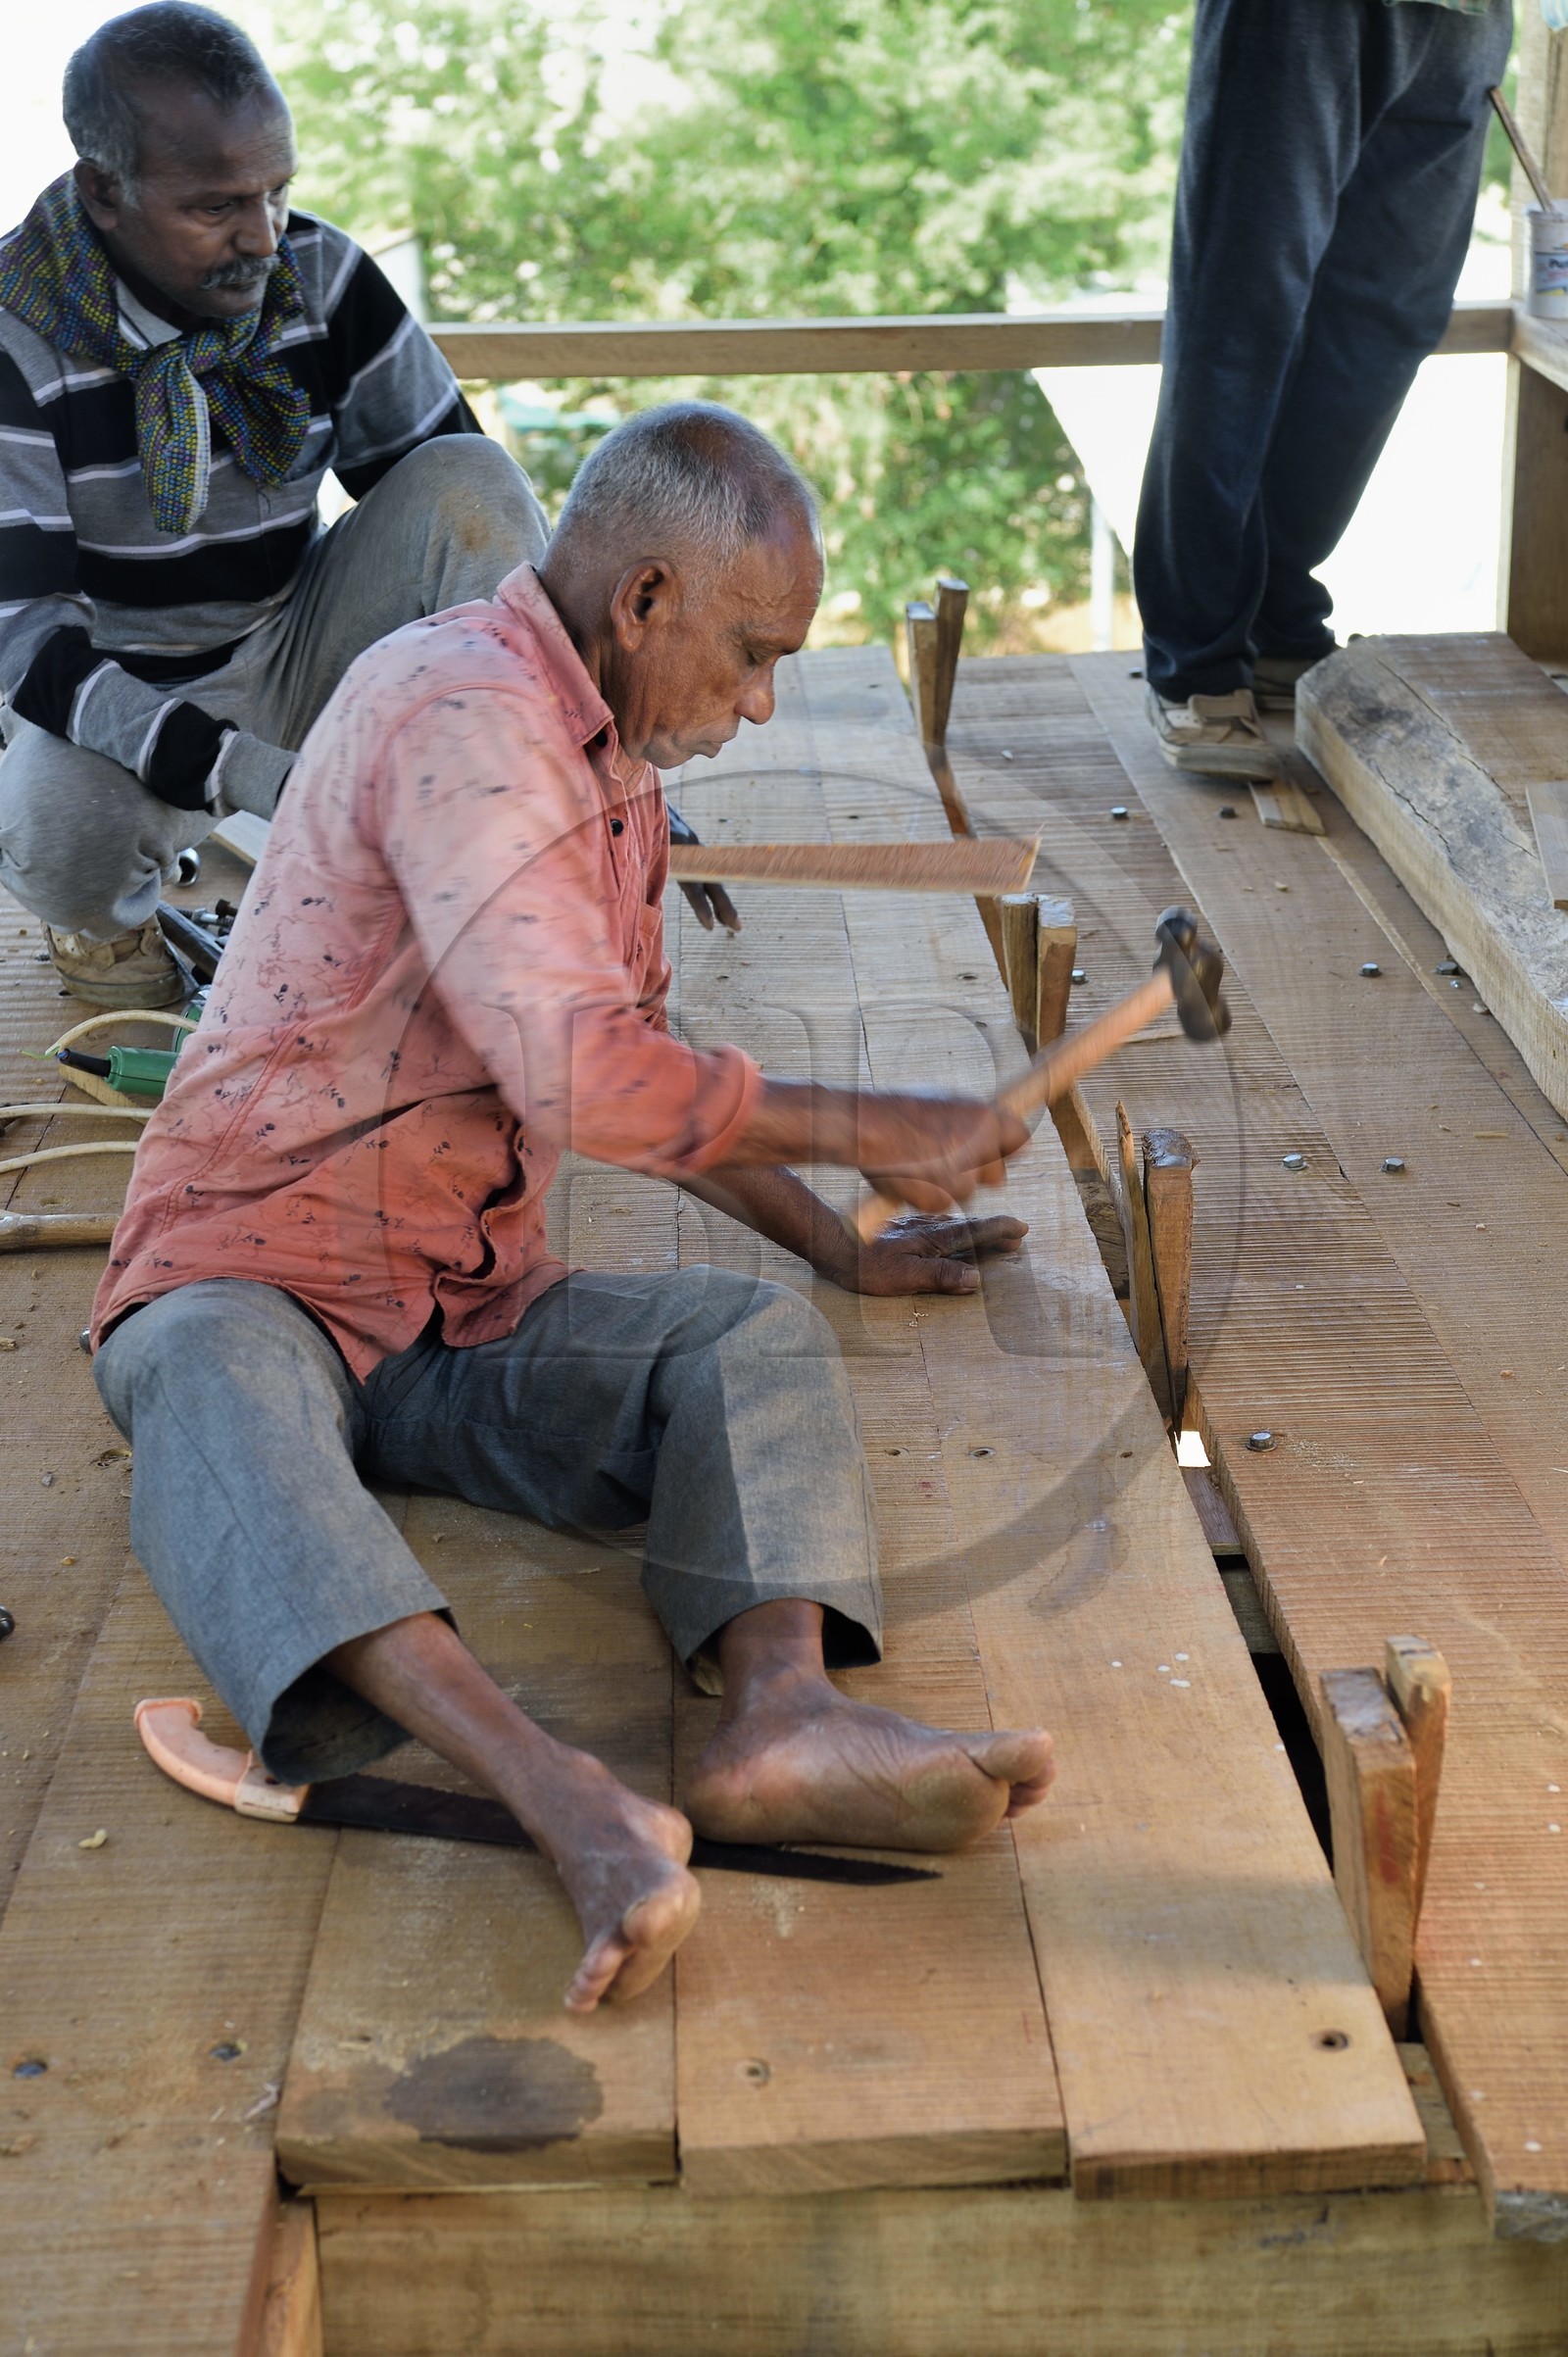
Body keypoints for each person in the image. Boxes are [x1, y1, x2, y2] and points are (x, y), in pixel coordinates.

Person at [90, 402, 1057, 2014]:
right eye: (749, 656)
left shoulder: (610, 766)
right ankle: (565, 1801)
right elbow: (575, 1074)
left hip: (463, 1307)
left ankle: (778, 1720)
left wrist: (839, 1250)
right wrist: (868, 1124)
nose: (756, 708)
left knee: (747, 1336)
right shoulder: (461, 707)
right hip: (251, 1271)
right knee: (204, 1383)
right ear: (646, 600)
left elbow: (643, 1061)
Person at [0, 1, 549, 1008]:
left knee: (475, 477)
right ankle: (110, 937)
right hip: (114, 690)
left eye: (277, 190)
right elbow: (29, 649)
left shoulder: (320, 274)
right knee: (52, 833)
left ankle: (499, 860)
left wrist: (582, 744)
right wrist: (251, 774)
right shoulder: (13, 338)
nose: (264, 236)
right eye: (215, 207)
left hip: (293, 636)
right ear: (103, 191)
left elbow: (455, 505)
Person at [1134, 0, 1513, 783]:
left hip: (1465, 14)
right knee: (1242, 302)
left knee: (1391, 314)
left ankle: (1276, 619)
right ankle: (1198, 657)